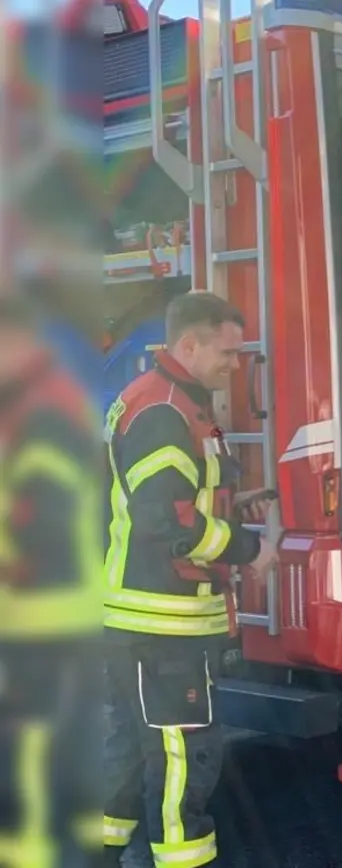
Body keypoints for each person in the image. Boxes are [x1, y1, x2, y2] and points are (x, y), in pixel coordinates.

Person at [101, 292, 278, 868]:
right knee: (184, 755)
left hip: (146, 615)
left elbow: (177, 499)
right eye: (227, 352)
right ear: (189, 344)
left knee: (133, 749)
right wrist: (248, 549)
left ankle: (98, 851)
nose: (236, 363)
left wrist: (233, 503)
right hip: (164, 619)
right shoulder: (165, 411)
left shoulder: (173, 402)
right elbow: (163, 518)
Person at [0, 288, 105, 868]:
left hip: (41, 612)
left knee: (26, 748)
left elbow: (44, 523)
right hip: (57, 610)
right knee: (64, 747)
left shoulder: (41, 412)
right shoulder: (45, 402)